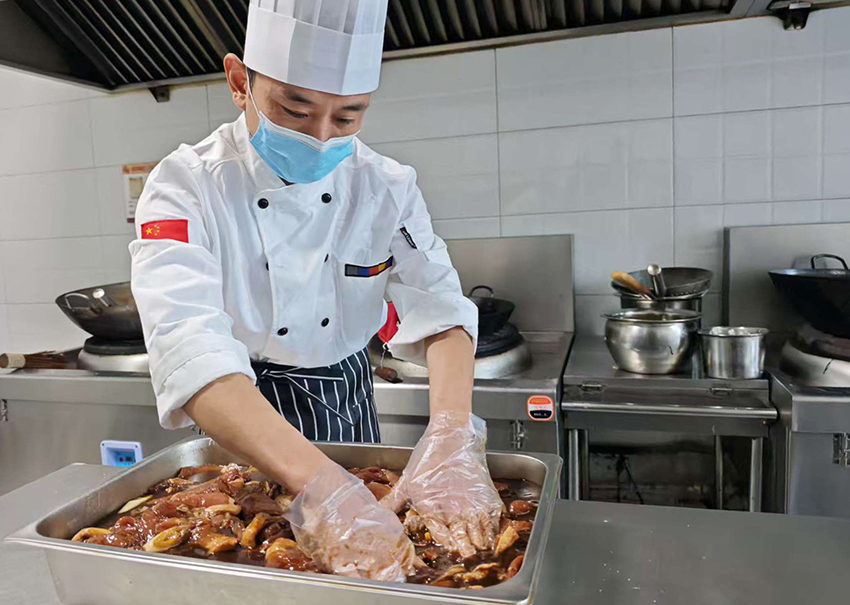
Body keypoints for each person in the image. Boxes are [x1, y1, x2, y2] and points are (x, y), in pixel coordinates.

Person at [129, 0, 503, 583]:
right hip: (241, 414)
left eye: (347, 118)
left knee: (377, 574)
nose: (320, 137)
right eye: (295, 110)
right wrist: (326, 486)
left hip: (347, 398)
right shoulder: (185, 185)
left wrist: (451, 435)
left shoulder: (385, 186)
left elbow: (440, 306)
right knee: (246, 569)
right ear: (239, 83)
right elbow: (188, 344)